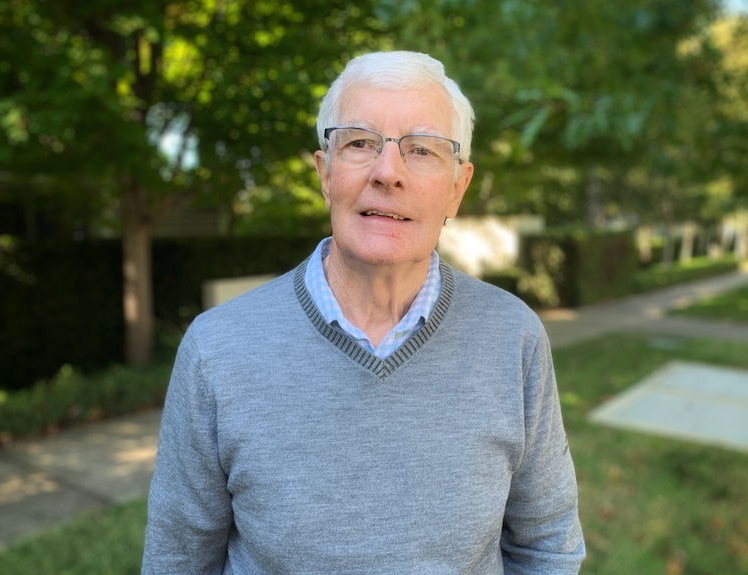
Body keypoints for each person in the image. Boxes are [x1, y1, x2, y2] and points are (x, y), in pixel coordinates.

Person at [142, 50, 585, 574]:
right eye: (359, 142)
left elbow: (546, 546)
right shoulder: (216, 349)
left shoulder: (514, 338)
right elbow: (177, 561)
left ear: (458, 188)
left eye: (421, 150)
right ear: (325, 172)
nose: (387, 171)